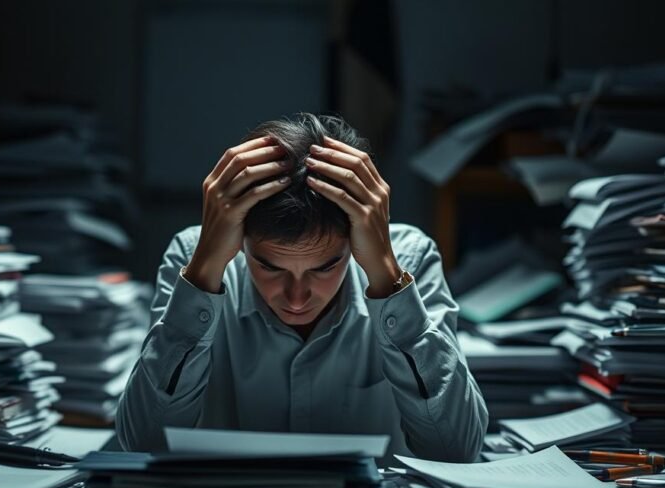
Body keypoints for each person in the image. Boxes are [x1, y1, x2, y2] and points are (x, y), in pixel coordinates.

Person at [115, 113, 487, 462]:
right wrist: (204, 270)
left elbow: (457, 451)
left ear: (354, 242)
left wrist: (387, 278)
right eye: (269, 266)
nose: (296, 298)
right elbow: (142, 445)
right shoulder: (195, 259)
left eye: (326, 266)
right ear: (241, 242)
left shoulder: (409, 259)